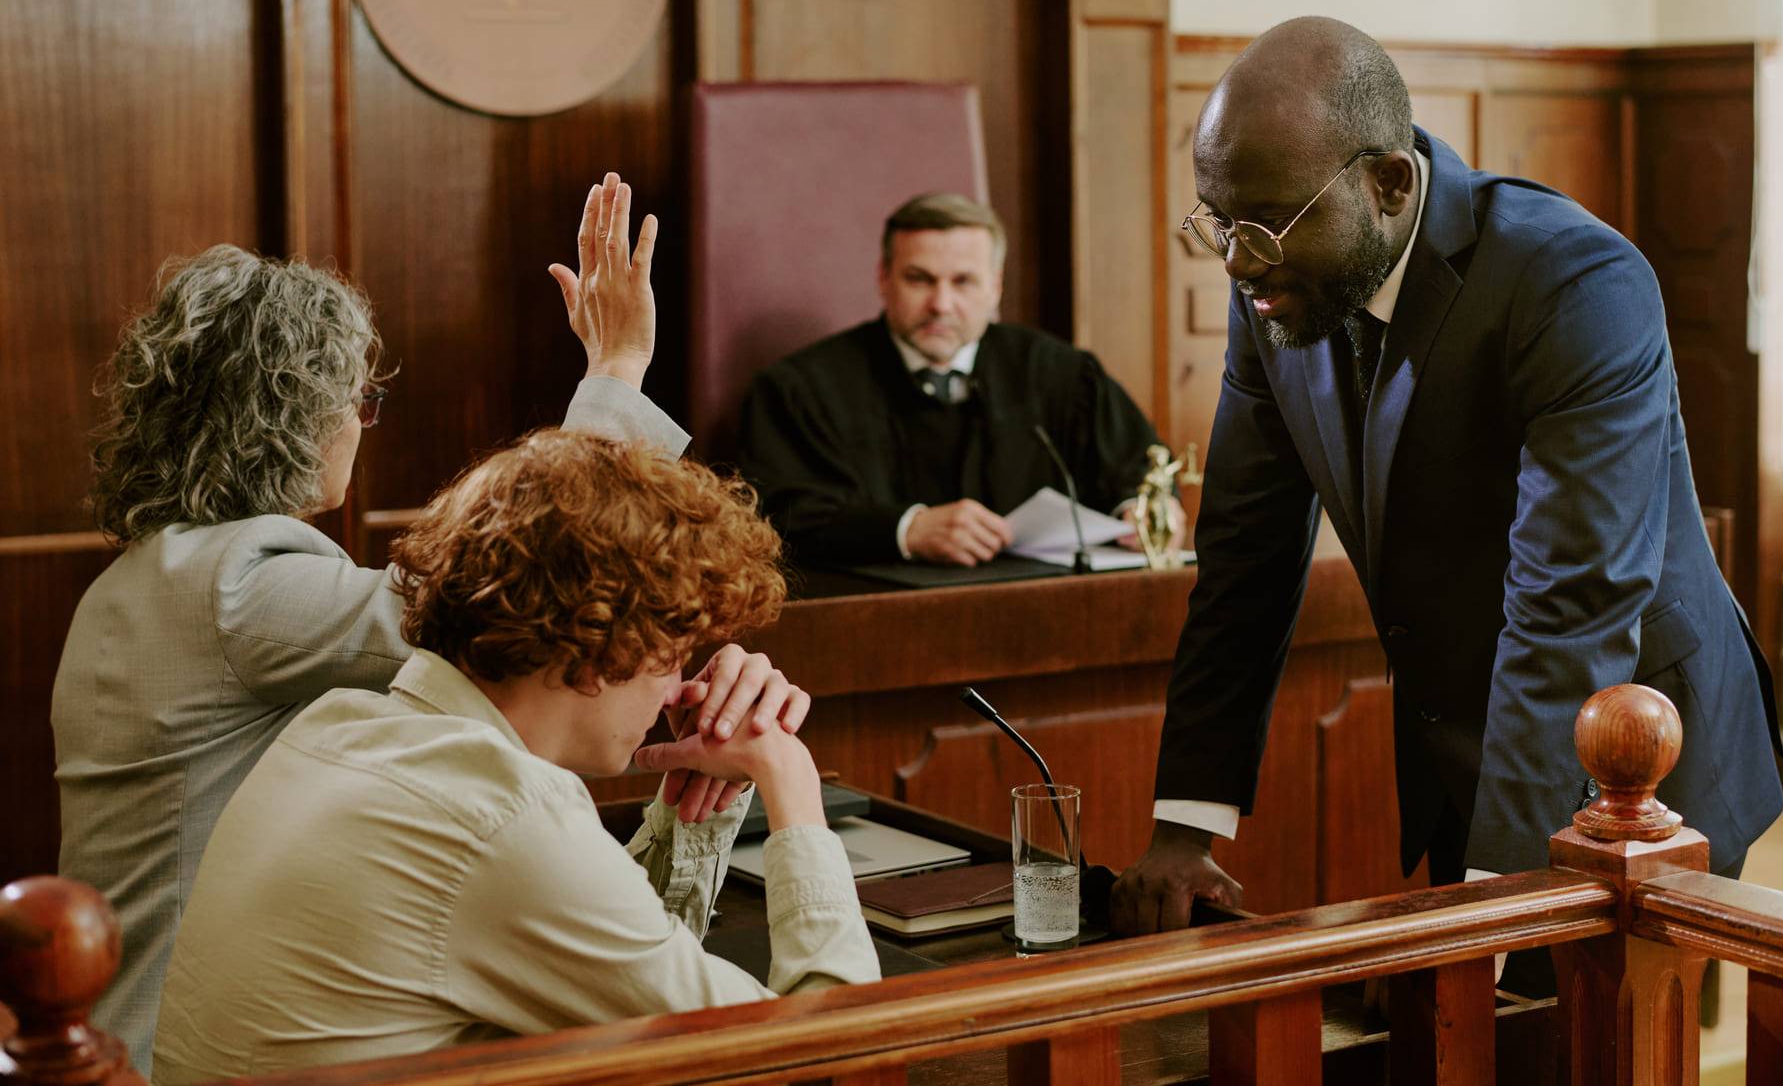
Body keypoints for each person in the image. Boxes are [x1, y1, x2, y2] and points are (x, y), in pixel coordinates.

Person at [1110, 18, 1783, 986]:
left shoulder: (1575, 279)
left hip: (1634, 761)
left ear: (1386, 183)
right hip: (1465, 742)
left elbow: (1574, 597)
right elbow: (1246, 557)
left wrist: (1499, 895)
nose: (1236, 261)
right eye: (1216, 221)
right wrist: (1188, 820)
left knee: (1591, 1045)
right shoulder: (1276, 274)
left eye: (1261, 225)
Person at [52, 174, 686, 1074]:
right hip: (176, 1056)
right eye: (358, 399)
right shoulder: (240, 586)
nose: (361, 423)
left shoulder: (157, 571)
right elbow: (517, 588)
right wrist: (616, 371)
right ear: (295, 417)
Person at [151, 430, 879, 1082]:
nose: (676, 692)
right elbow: (833, 1055)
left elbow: (634, 1002)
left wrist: (693, 813)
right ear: (597, 650)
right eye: (673, 655)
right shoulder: (500, 817)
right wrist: (790, 778)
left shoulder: (334, 728)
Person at [736, 192, 1174, 567]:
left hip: (1043, 610)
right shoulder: (801, 389)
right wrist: (906, 530)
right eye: (919, 279)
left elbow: (1134, 467)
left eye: (963, 281)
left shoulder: (1062, 374)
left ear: (995, 288)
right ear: (883, 278)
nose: (941, 304)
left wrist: (1143, 511)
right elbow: (778, 515)